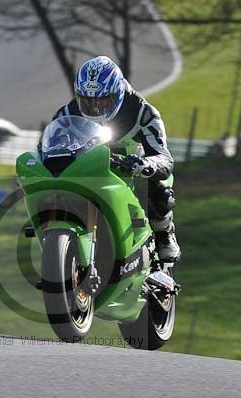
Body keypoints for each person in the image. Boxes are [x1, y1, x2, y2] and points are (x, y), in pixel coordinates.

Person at [50, 55, 180, 262]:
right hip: (88, 170)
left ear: (118, 93)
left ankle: (164, 234)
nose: (96, 107)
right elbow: (49, 148)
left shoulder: (143, 113)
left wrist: (146, 164)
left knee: (159, 190)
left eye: (103, 99)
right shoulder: (66, 114)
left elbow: (164, 157)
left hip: (131, 169)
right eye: (88, 100)